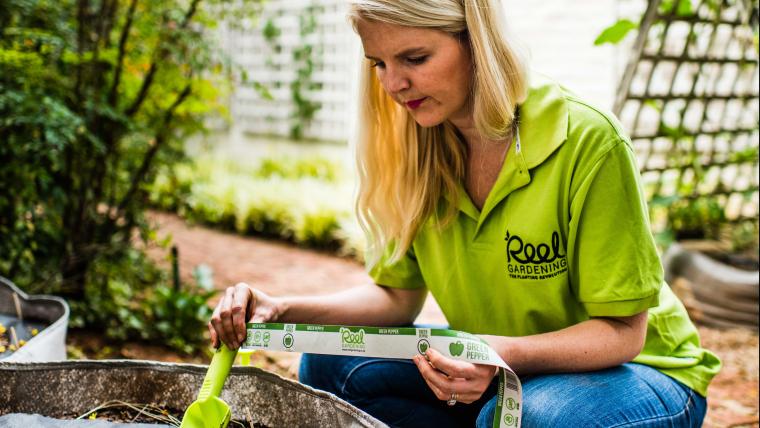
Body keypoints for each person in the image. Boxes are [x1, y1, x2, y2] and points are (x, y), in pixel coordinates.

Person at [209, 1, 721, 426]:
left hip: (640, 372)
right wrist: (283, 307)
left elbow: (624, 332)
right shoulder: (418, 146)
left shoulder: (589, 141)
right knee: (329, 366)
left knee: (530, 417)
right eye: (379, 64)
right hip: (496, 361)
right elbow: (396, 298)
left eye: (414, 57)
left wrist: (499, 355)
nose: (393, 85)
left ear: (475, 41)